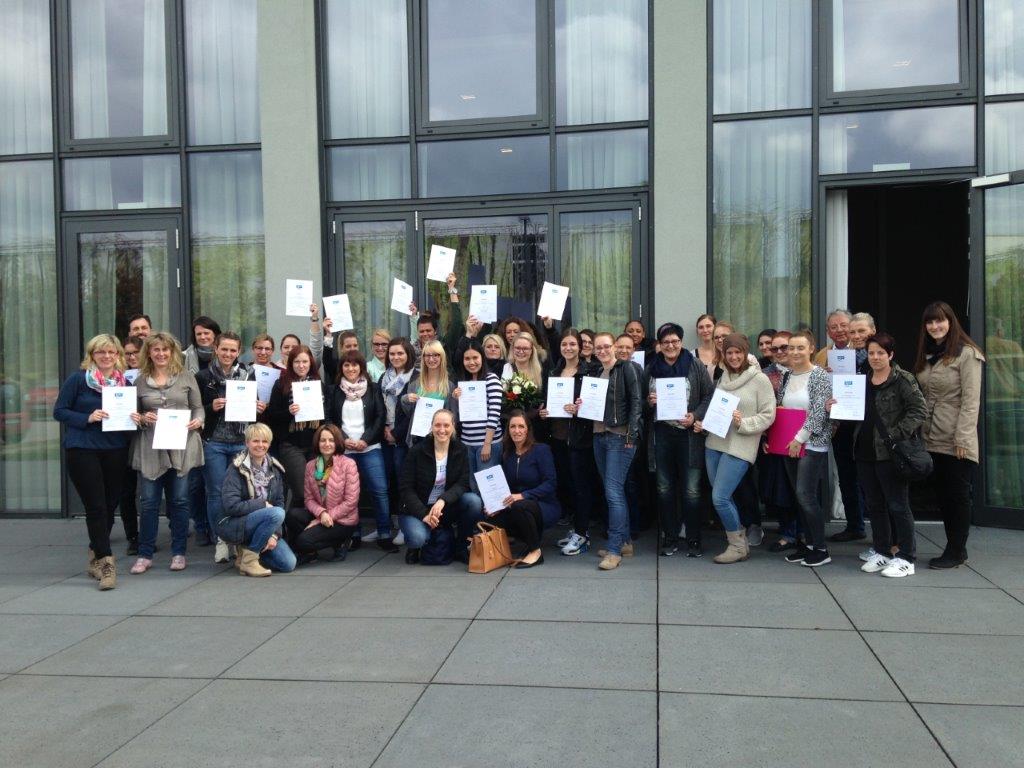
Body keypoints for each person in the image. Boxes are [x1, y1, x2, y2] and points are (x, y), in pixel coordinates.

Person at [53, 334, 131, 590]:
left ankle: (95, 552)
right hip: (83, 449)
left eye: (111, 352)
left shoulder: (125, 384)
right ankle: (107, 563)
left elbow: (130, 415)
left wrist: (136, 418)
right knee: (96, 506)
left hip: (116, 449)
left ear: (118, 355)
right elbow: (59, 411)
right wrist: (87, 417)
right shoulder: (78, 380)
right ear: (92, 355)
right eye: (101, 353)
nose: (106, 357)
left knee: (110, 505)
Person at [913, 301, 985, 569]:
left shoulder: (967, 354)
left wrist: (963, 439)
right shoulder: (928, 355)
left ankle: (957, 551)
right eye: (930, 322)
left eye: (940, 320)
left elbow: (971, 401)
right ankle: (952, 546)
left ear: (951, 322)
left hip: (955, 438)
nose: (935, 326)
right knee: (943, 496)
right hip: (930, 436)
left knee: (957, 496)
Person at [851, 333, 928, 578]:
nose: (875, 357)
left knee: (898, 505)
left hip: (890, 452)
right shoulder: (862, 378)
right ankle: (882, 550)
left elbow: (919, 410)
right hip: (864, 451)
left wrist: (896, 435)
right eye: (871, 353)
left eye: (880, 353)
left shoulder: (902, 379)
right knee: (874, 505)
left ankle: (906, 557)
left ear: (890, 355)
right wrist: (836, 406)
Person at [694, 334, 775, 564]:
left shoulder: (759, 380)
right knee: (722, 496)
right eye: (729, 352)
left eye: (738, 352)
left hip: (740, 445)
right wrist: (705, 424)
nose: (734, 356)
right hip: (715, 444)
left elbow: (769, 415)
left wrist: (744, 423)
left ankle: (737, 546)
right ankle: (739, 538)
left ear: (745, 353)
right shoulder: (723, 379)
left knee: (719, 497)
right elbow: (717, 410)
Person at [128, 332, 205, 574]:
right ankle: (145, 554)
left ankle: (179, 552)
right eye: (156, 350)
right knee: (149, 502)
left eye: (165, 350)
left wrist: (198, 421)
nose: (161, 354)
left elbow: (198, 408)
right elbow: (133, 414)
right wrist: (141, 417)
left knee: (180, 501)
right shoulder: (140, 381)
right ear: (149, 353)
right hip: (151, 448)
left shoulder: (186, 377)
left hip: (181, 445)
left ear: (172, 352)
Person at [644, 322, 714, 557]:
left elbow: (708, 396)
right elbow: (642, 401)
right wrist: (650, 402)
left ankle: (693, 538)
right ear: (660, 345)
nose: (670, 345)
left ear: (681, 342)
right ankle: (670, 536)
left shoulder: (695, 365)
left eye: (674, 341)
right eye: (665, 342)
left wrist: (695, 415)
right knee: (664, 488)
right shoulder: (651, 367)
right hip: (662, 434)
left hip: (689, 436)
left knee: (692, 490)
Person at [196, 332, 258, 564]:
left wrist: (256, 405)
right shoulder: (203, 377)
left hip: (240, 441)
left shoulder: (247, 374)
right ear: (216, 349)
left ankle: (238, 539)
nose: (228, 354)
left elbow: (253, 402)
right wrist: (210, 406)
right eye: (224, 349)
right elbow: (195, 409)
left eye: (233, 350)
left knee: (241, 493)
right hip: (214, 442)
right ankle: (221, 540)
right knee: (215, 492)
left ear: (239, 352)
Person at [326, 350, 397, 551]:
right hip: (345, 449)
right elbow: (329, 420)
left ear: (361, 367)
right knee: (350, 494)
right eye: (346, 365)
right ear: (341, 368)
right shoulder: (334, 391)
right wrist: (344, 440)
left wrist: (365, 440)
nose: (351, 369)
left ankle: (384, 534)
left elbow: (380, 418)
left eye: (355, 365)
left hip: (370, 447)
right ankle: (353, 534)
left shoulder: (373, 389)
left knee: (380, 490)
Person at [585, 332, 643, 571]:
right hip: (599, 436)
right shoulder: (596, 373)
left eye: (606, 346)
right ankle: (625, 542)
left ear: (615, 347)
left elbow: (637, 403)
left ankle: (614, 550)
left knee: (613, 492)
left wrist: (631, 435)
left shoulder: (627, 368)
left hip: (620, 437)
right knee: (613, 490)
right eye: (598, 347)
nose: (602, 350)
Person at [776, 330, 834, 567]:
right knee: (799, 496)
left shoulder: (819, 375)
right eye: (791, 348)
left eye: (801, 348)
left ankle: (821, 548)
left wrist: (800, 438)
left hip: (811, 444)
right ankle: (808, 545)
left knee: (806, 496)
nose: (795, 352)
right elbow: (783, 409)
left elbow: (818, 411)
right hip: (789, 444)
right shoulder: (788, 375)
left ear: (811, 349)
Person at [541, 329, 600, 556]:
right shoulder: (555, 371)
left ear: (580, 347)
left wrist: (579, 408)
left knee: (581, 487)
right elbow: (549, 401)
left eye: (572, 344)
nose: (568, 348)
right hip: (557, 437)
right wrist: (545, 411)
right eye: (564, 344)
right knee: (567, 486)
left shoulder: (589, 372)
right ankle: (576, 529)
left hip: (579, 438)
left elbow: (594, 404)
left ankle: (583, 534)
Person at [398, 409, 481, 564]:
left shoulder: (460, 449)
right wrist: (424, 514)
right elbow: (406, 488)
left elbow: (463, 482)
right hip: (417, 508)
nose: (442, 430)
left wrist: (443, 500)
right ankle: (416, 547)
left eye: (446, 425)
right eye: (437, 425)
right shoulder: (416, 452)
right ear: (431, 427)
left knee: (473, 502)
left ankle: (461, 546)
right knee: (418, 538)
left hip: (445, 507)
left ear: (453, 427)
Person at [218, 422, 297, 576]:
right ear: (247, 443)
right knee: (276, 513)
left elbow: (280, 502)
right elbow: (231, 506)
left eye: (264, 441)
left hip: (267, 524)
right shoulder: (235, 468)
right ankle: (249, 561)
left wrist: (273, 534)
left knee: (288, 564)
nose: (260, 445)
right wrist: (262, 505)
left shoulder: (275, 468)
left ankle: (247, 551)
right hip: (234, 524)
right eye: (255, 441)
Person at [487, 411, 559, 568]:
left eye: (521, 426)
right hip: (517, 505)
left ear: (528, 430)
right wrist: (495, 505)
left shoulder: (541, 450)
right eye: (513, 426)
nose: (517, 430)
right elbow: (504, 487)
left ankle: (535, 552)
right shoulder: (508, 454)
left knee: (520, 505)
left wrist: (523, 495)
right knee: (486, 515)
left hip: (544, 505)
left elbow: (550, 483)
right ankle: (509, 545)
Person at [827, 312, 875, 544]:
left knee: (870, 479)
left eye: (856, 330)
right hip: (842, 423)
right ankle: (855, 525)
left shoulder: (876, 355)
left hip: (868, 425)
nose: (849, 333)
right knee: (847, 476)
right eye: (834, 327)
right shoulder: (828, 356)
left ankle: (883, 535)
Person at [287, 424, 360, 564]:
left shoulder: (348, 464)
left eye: (331, 440)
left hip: (342, 520)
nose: (327, 444)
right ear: (317, 443)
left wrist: (327, 516)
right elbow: (308, 499)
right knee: (292, 515)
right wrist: (321, 514)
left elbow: (351, 501)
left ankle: (340, 542)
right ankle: (311, 552)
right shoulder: (310, 466)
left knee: (302, 541)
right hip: (322, 514)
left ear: (337, 442)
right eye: (323, 440)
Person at [266, 344, 325, 513]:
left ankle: (308, 531)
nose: (301, 365)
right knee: (300, 491)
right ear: (291, 363)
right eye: (297, 362)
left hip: (315, 446)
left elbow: (325, 415)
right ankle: (294, 531)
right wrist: (289, 412)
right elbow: (272, 415)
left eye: (305, 362)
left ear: (311, 363)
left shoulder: (318, 384)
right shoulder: (281, 384)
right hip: (291, 445)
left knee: (316, 490)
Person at [182, 316, 221, 546]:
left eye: (207, 333)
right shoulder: (184, 358)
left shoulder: (227, 356)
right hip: (192, 430)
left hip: (218, 430)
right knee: (195, 484)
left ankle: (218, 529)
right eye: (199, 334)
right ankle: (201, 526)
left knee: (216, 486)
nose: (204, 337)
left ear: (215, 335)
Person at [760, 331, 800, 552]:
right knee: (782, 490)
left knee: (803, 489)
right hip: (776, 440)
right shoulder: (765, 375)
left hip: (805, 440)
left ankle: (804, 532)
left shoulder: (808, 372)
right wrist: (764, 437)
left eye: (784, 347)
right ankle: (787, 532)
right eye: (774, 349)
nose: (779, 352)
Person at [453, 341, 503, 485]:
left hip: (488, 443)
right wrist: (456, 398)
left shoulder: (492, 379)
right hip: (467, 443)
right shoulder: (464, 382)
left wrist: (487, 443)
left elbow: (494, 413)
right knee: (473, 484)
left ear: (482, 358)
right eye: (467, 359)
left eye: (475, 358)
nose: (471, 362)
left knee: (489, 486)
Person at [398, 340, 457, 448]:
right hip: (418, 439)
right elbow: (410, 414)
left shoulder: (450, 386)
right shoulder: (414, 384)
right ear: (423, 358)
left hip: (440, 440)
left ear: (442, 357)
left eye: (435, 355)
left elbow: (453, 417)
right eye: (427, 355)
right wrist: (405, 400)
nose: (431, 359)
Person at [118, 335, 144, 553]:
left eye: (136, 352)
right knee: (126, 491)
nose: (132, 357)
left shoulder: (152, 376)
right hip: (123, 441)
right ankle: (133, 537)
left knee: (149, 491)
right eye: (128, 353)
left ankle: (148, 535)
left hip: (147, 439)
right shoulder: (116, 379)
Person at [380, 337, 417, 479]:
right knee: (389, 479)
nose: (396, 357)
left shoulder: (416, 377)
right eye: (392, 354)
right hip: (385, 435)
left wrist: (395, 433)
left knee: (404, 479)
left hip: (405, 438)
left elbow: (414, 413)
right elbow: (379, 405)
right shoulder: (384, 377)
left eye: (400, 353)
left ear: (408, 354)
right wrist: (384, 427)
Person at [693, 314, 717, 380]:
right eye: (701, 327)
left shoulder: (725, 353)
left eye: (708, 326)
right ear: (697, 331)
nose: (705, 330)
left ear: (715, 328)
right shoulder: (692, 356)